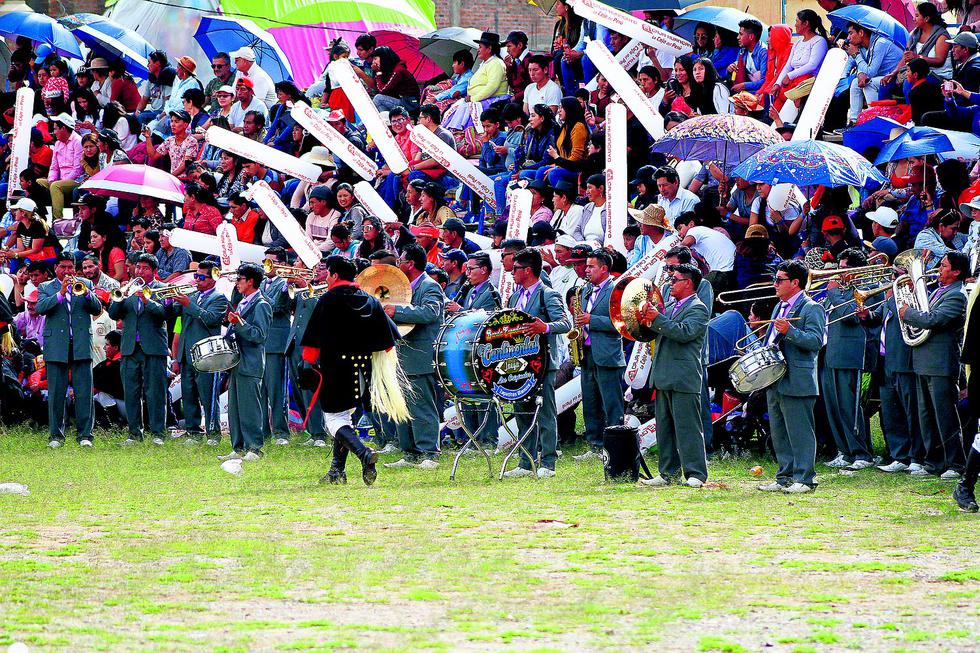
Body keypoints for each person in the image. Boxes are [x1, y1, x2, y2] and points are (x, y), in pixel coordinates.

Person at [301, 255, 409, 485]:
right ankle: (336, 471)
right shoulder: (369, 299)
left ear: (334, 275)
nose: (326, 278)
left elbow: (311, 346)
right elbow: (389, 343)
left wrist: (308, 361)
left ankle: (364, 453)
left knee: (334, 419)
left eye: (328, 273)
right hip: (364, 370)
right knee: (345, 417)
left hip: (335, 368)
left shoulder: (328, 300)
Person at [638, 263, 710, 488]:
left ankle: (696, 473)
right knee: (665, 427)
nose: (670, 284)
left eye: (674, 280)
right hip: (663, 374)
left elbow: (684, 333)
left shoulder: (698, 308)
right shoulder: (669, 305)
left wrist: (657, 319)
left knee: (688, 428)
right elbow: (660, 329)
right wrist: (645, 319)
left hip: (683, 376)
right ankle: (667, 473)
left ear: (688, 283)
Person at [757, 260, 826, 493]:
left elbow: (816, 342)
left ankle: (805, 478)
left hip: (797, 378)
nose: (774, 284)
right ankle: (784, 477)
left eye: (779, 280)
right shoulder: (780, 306)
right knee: (779, 431)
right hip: (775, 376)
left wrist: (791, 331)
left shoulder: (811, 308)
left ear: (795, 282)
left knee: (800, 432)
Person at [899, 252, 969, 478]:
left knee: (945, 416)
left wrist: (908, 313)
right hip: (923, 361)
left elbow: (933, 319)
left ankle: (955, 464)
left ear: (956, 271)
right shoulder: (938, 291)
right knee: (926, 416)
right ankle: (933, 463)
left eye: (944, 265)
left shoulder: (957, 295)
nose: (939, 268)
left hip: (940, 363)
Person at [503, 248, 572, 478]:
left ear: (528, 270)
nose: (512, 272)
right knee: (522, 411)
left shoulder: (547, 294)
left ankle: (548, 462)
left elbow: (565, 323)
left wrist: (546, 327)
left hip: (542, 363)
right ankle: (526, 461)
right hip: (518, 364)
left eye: (515, 268)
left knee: (545, 411)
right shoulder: (514, 297)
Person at [383, 244, 446, 469]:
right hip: (401, 355)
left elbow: (430, 312)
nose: (398, 264)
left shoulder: (430, 286)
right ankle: (409, 452)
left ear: (410, 264)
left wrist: (397, 311)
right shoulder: (402, 288)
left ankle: (429, 452)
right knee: (402, 405)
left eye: (401, 260)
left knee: (422, 406)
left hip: (420, 356)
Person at [859, 270, 924, 474]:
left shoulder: (913, 297)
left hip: (904, 361)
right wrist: (866, 315)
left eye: (898, 275)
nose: (893, 280)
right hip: (885, 362)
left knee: (910, 412)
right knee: (890, 411)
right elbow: (878, 317)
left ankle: (917, 457)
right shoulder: (890, 298)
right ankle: (899, 455)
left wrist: (893, 299)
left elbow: (910, 318)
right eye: (893, 275)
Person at [35, 254, 102, 448]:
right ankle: (56, 436)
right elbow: (40, 308)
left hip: (81, 343)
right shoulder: (45, 287)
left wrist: (87, 294)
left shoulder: (85, 283)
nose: (67, 271)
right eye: (63, 267)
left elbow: (97, 308)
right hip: (57, 345)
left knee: (84, 392)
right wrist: (61, 293)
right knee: (56, 392)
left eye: (70, 267)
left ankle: (85, 435)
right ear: (55, 268)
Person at [109, 254, 171, 446]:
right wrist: (120, 297)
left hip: (153, 348)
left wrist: (146, 301)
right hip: (130, 348)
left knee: (155, 392)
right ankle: (134, 434)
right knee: (131, 392)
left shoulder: (162, 289)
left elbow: (165, 314)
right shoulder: (129, 289)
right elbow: (113, 314)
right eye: (138, 267)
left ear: (154, 271)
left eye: (145, 268)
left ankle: (158, 433)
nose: (140, 271)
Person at [821, 249, 874, 470]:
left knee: (849, 407)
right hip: (831, 354)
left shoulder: (866, 289)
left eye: (844, 268)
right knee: (834, 407)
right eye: (839, 267)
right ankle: (844, 451)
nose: (839, 272)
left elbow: (851, 316)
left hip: (850, 355)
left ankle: (861, 453)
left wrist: (834, 293)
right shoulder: (840, 290)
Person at [571, 251, 625, 459]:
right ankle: (594, 444)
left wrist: (591, 320)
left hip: (607, 354)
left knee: (611, 403)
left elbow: (622, 323)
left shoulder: (616, 290)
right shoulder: (585, 290)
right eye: (586, 266)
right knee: (590, 402)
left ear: (604, 269)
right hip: (586, 353)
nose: (586, 270)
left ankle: (615, 446)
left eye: (591, 266)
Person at [445, 253, 502, 448]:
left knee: (484, 395)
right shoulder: (470, 291)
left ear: (484, 270)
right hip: (466, 349)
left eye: (470, 269)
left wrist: (460, 311)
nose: (467, 273)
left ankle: (488, 439)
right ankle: (472, 437)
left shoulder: (491, 293)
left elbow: (488, 320)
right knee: (467, 392)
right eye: (466, 269)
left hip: (483, 352)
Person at [218, 263, 272, 461]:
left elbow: (259, 335)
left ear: (250, 281)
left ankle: (254, 448)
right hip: (237, 361)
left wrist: (238, 323)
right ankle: (238, 446)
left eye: (240, 279)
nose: (237, 283)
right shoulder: (243, 302)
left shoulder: (262, 304)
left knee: (250, 407)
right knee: (235, 408)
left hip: (251, 362)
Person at [171, 260, 229, 444]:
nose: (197, 280)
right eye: (196, 276)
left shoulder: (219, 298)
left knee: (208, 396)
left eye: (201, 277)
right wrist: (170, 299)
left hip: (207, 355)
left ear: (213, 278)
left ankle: (213, 434)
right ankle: (193, 432)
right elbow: (174, 313)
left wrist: (189, 304)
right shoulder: (192, 295)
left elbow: (211, 319)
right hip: (187, 354)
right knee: (188, 395)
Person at [287, 258, 330, 447]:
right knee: (299, 389)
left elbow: (318, 312)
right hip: (294, 343)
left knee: (313, 389)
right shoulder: (304, 288)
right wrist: (288, 286)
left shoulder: (327, 290)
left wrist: (306, 287)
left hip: (314, 346)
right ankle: (311, 430)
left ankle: (320, 433)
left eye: (322, 268)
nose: (317, 271)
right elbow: (282, 306)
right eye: (316, 268)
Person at [260, 248, 293, 446]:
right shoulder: (261, 283)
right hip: (260, 342)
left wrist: (257, 297)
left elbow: (279, 307)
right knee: (260, 390)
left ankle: (281, 431)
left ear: (282, 264)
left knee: (276, 390)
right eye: (265, 261)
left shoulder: (285, 284)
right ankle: (263, 430)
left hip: (276, 343)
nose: (266, 265)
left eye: (270, 262)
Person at [842, 22, 905, 126]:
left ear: (861, 33)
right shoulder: (861, 46)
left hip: (895, 77)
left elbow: (870, 72)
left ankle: (874, 120)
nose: (848, 38)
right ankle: (854, 122)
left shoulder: (880, 43)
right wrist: (856, 74)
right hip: (881, 77)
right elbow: (853, 64)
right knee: (855, 83)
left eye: (850, 33)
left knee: (868, 83)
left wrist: (856, 55)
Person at [771, 10, 829, 110]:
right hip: (793, 84)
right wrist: (778, 83)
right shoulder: (798, 43)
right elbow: (788, 66)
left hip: (808, 84)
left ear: (806, 23)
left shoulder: (819, 41)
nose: (795, 25)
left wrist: (790, 75)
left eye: (797, 21)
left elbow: (812, 65)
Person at [37, 114, 82, 221]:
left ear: (63, 128)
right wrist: (51, 180)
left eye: (55, 129)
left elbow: (78, 170)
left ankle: (57, 220)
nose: (54, 132)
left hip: (76, 180)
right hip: (60, 181)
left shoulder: (78, 141)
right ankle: (39, 218)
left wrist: (60, 182)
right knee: (38, 182)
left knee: (56, 186)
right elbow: (54, 167)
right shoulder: (57, 144)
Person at [728, 19, 769, 96]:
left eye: (741, 34)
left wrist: (745, 85)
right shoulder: (742, 51)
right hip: (744, 93)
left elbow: (765, 81)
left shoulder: (763, 52)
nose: (738, 37)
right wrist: (730, 69)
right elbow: (737, 71)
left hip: (759, 94)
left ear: (751, 37)